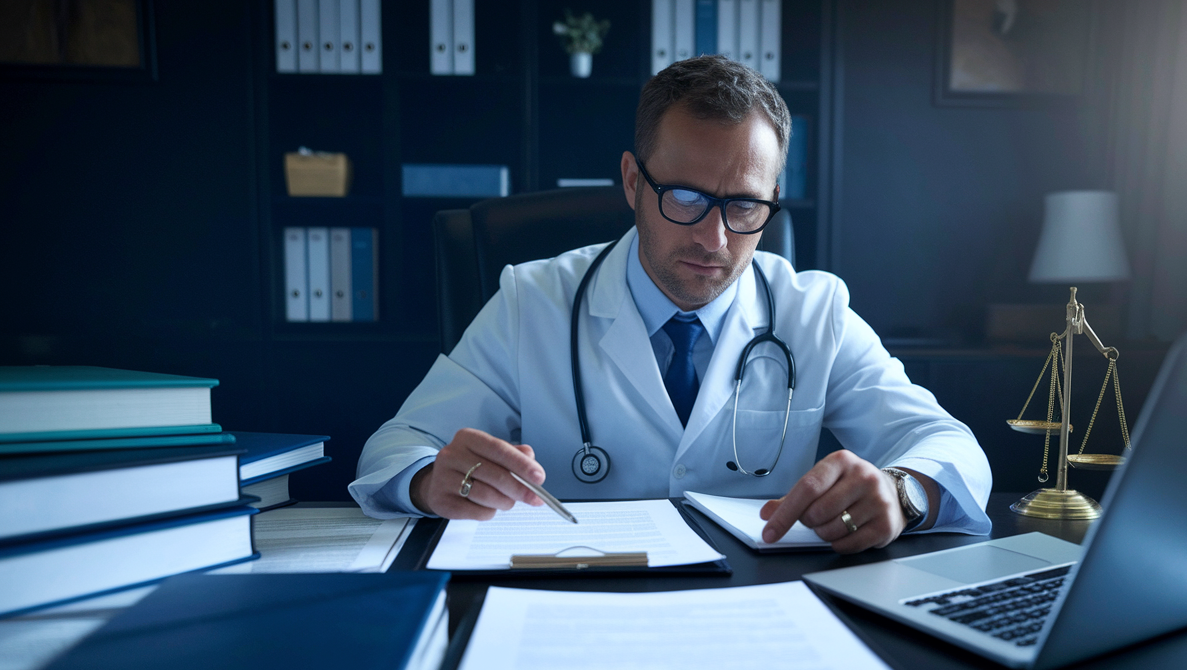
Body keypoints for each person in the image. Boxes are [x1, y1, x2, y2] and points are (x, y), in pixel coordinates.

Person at [350, 55, 992, 552]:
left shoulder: (812, 310)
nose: (712, 238)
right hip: (580, 597)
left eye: (743, 204)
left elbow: (945, 442)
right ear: (633, 181)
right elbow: (396, 447)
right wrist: (430, 479)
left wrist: (904, 493)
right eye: (684, 197)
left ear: (771, 201)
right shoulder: (532, 301)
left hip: (757, 608)